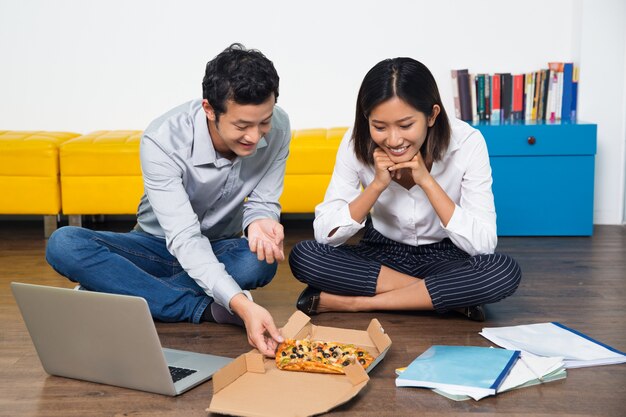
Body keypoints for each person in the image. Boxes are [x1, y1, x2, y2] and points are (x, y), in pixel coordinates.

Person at [46, 43, 289, 355]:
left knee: (259, 261)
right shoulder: (162, 140)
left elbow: (264, 200)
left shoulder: (280, 127)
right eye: (242, 126)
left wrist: (259, 221)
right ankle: (205, 308)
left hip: (218, 246)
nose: (255, 137)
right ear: (209, 109)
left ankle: (124, 287)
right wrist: (241, 306)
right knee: (64, 244)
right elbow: (185, 238)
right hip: (154, 244)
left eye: (263, 122)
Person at [289, 57, 521, 321]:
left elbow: (483, 246)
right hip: (382, 253)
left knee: (502, 271)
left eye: (405, 125)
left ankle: (355, 303)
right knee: (304, 256)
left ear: (432, 115)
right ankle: (445, 298)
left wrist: (426, 181)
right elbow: (325, 236)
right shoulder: (355, 141)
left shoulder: (468, 143)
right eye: (379, 127)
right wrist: (376, 186)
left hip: (445, 256)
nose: (394, 140)